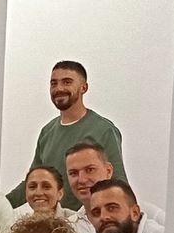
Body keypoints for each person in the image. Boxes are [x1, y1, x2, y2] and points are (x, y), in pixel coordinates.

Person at [9, 61, 129, 211]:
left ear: (84, 87)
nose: (59, 88)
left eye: (67, 82)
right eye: (54, 83)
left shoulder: (103, 130)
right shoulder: (47, 132)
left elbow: (119, 184)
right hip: (54, 222)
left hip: (89, 221)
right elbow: (33, 181)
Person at [64, 141, 164, 228]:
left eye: (90, 170)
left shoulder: (152, 218)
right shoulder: (69, 229)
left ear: (108, 171)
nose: (82, 180)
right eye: (73, 173)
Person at [14, 164, 99, 233]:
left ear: (60, 193)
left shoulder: (76, 224)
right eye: (32, 187)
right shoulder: (19, 228)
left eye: (46, 187)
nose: (38, 193)